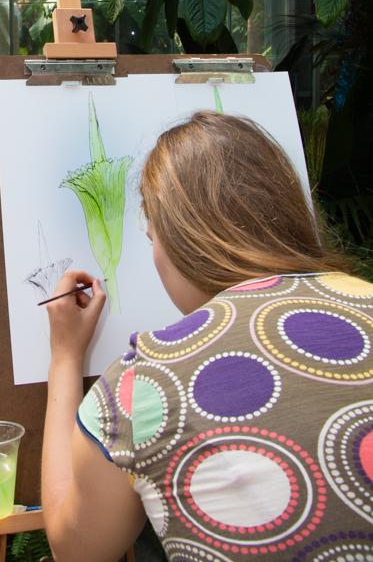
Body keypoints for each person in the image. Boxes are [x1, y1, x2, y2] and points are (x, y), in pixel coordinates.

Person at [42, 111, 373, 562]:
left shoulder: (144, 383)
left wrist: (64, 356)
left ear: (181, 241)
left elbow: (75, 549)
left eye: (152, 235)